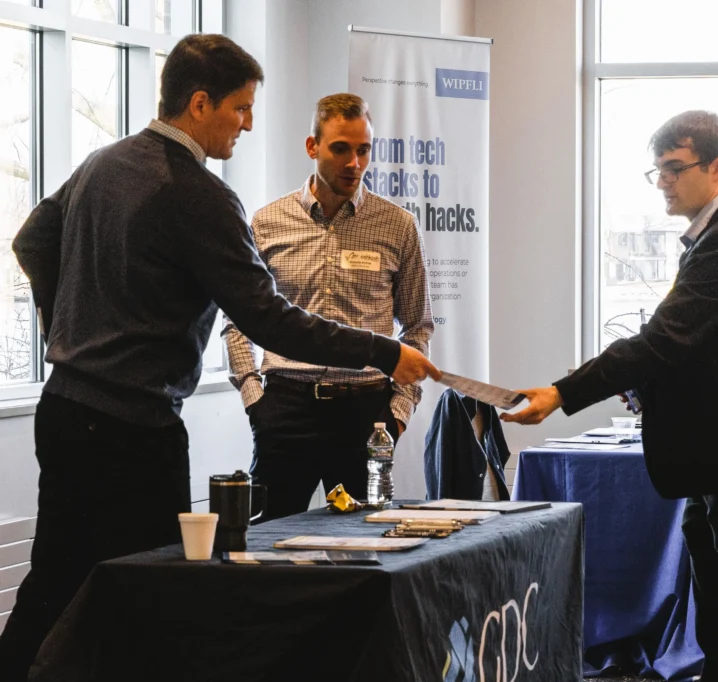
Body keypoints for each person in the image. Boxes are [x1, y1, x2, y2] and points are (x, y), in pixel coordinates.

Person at [0, 34, 438, 681]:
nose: (249, 122)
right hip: (134, 428)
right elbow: (267, 318)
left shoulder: (103, 163)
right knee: (155, 591)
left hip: (65, 407)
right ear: (199, 104)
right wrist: (384, 350)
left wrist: (64, 332)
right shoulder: (198, 195)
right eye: (240, 108)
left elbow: (34, 240)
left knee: (56, 579)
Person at [503, 110, 718, 681]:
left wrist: (562, 392)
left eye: (674, 169)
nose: (662, 181)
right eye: (656, 170)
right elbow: (691, 352)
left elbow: (661, 340)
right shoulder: (710, 238)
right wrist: (644, 384)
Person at [223, 94, 433, 518]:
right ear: (312, 146)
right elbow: (236, 322)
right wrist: (255, 400)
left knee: (369, 551)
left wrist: (397, 414)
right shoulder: (267, 223)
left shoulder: (398, 225)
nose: (353, 162)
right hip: (285, 409)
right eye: (340, 148)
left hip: (365, 414)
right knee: (267, 545)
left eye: (363, 149)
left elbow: (418, 326)